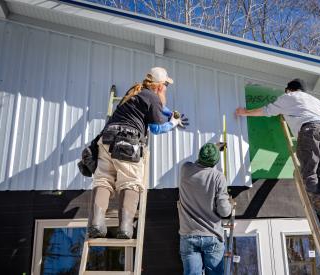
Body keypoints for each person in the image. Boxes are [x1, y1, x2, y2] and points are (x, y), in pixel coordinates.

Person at [235, 79, 320, 225]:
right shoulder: (316, 101)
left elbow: (267, 110)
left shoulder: (289, 97)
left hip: (309, 131)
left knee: (310, 173)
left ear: (289, 90)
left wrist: (244, 112)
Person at [88, 67, 188, 239]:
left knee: (103, 180)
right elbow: (156, 128)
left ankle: (96, 224)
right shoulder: (154, 98)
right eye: (165, 85)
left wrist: (169, 112)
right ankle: (125, 228)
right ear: (159, 86)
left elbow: (156, 107)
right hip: (127, 142)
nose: (166, 89)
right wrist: (173, 122)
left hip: (106, 139)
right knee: (130, 182)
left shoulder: (134, 92)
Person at [178, 142, 232, 275]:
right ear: (215, 162)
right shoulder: (218, 176)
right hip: (212, 236)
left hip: (189, 235)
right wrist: (228, 203)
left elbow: (198, 164)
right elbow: (224, 212)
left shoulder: (186, 169)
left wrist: (212, 148)